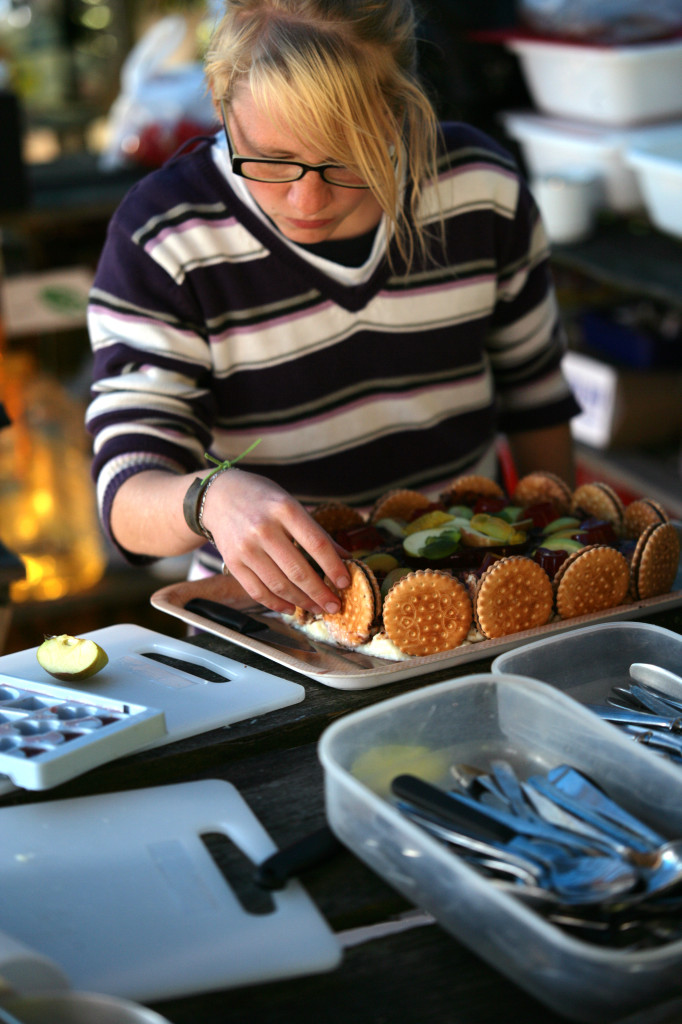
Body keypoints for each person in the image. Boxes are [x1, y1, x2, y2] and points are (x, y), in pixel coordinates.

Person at [86, 0, 580, 621]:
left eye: (347, 157)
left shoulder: (481, 192)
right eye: (270, 160)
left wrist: (560, 571)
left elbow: (537, 401)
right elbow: (127, 497)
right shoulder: (165, 237)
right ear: (219, 104)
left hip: (471, 601)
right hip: (267, 619)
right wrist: (209, 499)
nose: (306, 200)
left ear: (400, 109)